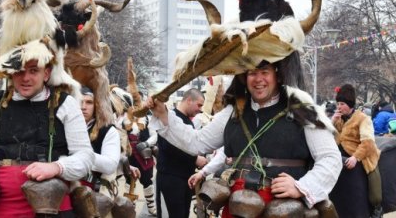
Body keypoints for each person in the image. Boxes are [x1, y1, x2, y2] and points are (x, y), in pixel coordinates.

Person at [147, 61, 342, 216]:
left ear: (278, 73)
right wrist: (163, 114)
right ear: (244, 77)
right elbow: (197, 142)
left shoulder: (302, 109)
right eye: (252, 72)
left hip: (285, 210)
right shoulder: (233, 111)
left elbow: (330, 158)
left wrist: (301, 187)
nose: (258, 79)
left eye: (264, 71)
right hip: (238, 208)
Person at [0, 54, 95, 218]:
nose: (26, 78)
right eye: (19, 71)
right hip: (1, 207)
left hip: (53, 207)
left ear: (46, 73)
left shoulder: (66, 103)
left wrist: (56, 167)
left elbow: (85, 157)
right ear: (10, 73)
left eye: (33, 71)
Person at [330, 84, 382, 218]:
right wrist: (331, 122)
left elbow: (368, 142)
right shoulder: (337, 119)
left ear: (350, 104)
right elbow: (326, 138)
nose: (339, 107)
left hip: (360, 159)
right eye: (338, 104)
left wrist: (355, 157)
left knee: (374, 192)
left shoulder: (363, 118)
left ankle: (376, 209)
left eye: (342, 104)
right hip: (340, 160)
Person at [155, 88, 206, 218]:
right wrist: (194, 159)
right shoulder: (169, 117)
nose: (200, 109)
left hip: (185, 178)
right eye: (199, 105)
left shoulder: (188, 121)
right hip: (170, 178)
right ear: (189, 100)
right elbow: (167, 146)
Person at [78, 86, 121, 193]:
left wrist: (79, 155)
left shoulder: (108, 130)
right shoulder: (64, 126)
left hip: (96, 190)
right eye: (79, 101)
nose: (83, 107)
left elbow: (110, 165)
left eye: (89, 102)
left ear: (97, 105)